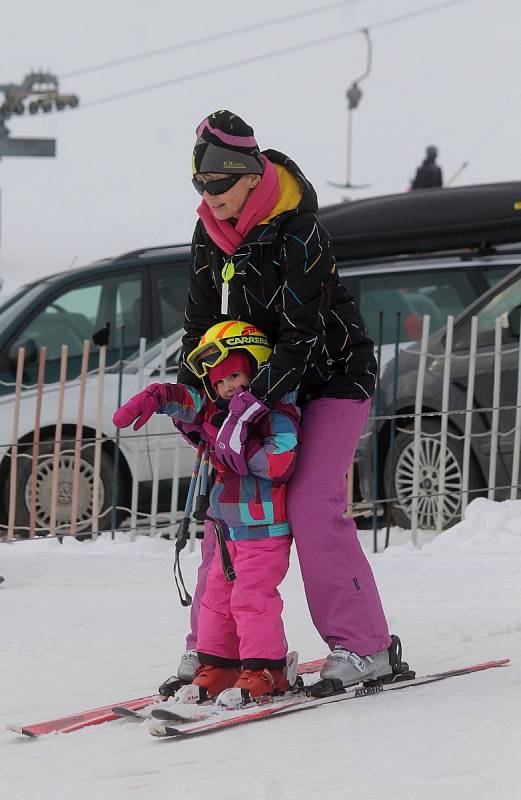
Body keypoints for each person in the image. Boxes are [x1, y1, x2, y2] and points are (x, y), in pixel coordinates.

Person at [171, 109, 396, 689]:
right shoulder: (208, 236)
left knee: (311, 505)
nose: (209, 195)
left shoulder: (301, 230)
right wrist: (198, 388)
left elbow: (305, 332)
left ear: (251, 174)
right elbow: (197, 327)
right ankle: (217, 649)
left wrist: (251, 404)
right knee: (228, 506)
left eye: (219, 182)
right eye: (200, 184)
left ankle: (366, 646)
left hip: (330, 378)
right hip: (255, 388)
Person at [114, 321, 301, 700]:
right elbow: (190, 404)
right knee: (216, 600)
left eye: (235, 375)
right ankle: (221, 666)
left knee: (252, 598)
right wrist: (161, 394)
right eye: (220, 382)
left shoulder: (273, 414)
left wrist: (241, 449)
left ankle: (267, 670)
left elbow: (281, 460)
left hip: (264, 529)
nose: (229, 387)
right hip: (226, 530)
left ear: (255, 369)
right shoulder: (219, 416)